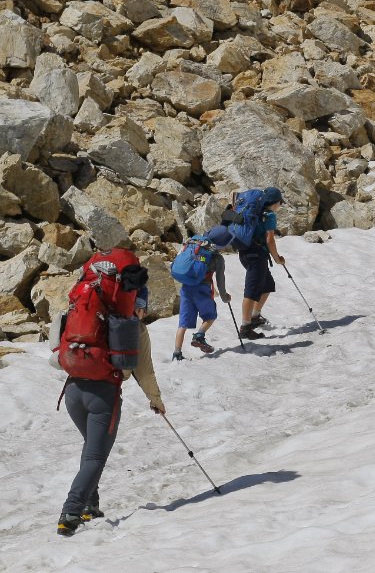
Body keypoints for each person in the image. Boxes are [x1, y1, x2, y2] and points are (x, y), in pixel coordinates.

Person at [57, 265, 164, 537]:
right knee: (95, 456)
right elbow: (145, 371)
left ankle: (89, 505)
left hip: (72, 392)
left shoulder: (91, 315)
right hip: (103, 398)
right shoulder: (133, 329)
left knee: (91, 448)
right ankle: (70, 512)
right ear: (138, 304)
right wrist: (156, 400)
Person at [232, 187, 286, 339]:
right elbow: (270, 240)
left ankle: (255, 316)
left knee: (267, 285)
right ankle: (245, 327)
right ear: (275, 202)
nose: (280, 205)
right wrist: (277, 258)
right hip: (256, 256)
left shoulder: (254, 212)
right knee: (251, 291)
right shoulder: (269, 216)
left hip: (245, 253)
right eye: (280, 202)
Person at [173, 226, 233, 361]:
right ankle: (199, 336)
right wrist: (224, 297)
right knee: (210, 316)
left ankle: (177, 353)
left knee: (182, 324)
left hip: (186, 289)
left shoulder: (193, 245)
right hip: (202, 290)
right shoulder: (217, 258)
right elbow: (220, 281)